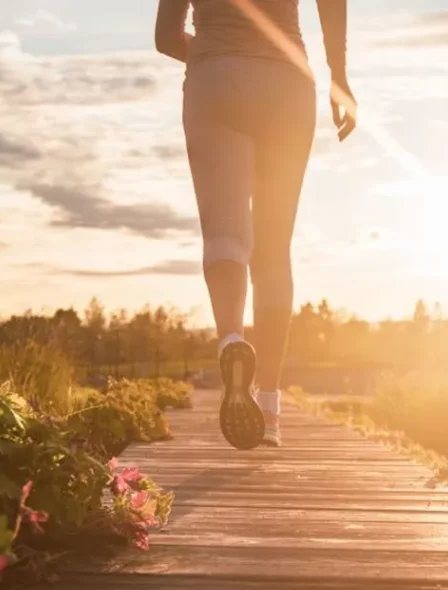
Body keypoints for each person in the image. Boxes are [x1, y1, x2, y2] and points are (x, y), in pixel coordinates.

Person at [155, 0, 356, 450]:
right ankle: (267, 407)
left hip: (216, 79)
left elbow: (165, 36)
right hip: (287, 83)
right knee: (273, 250)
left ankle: (230, 340)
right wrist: (338, 77)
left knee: (224, 234)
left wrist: (213, 53)